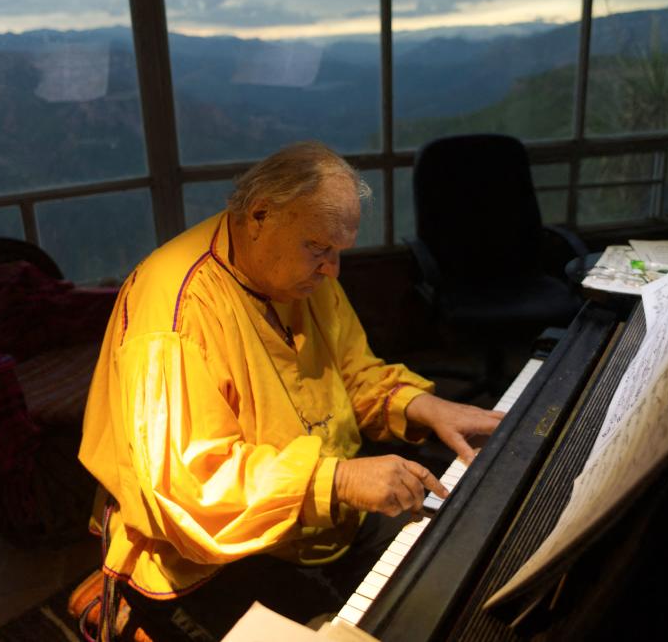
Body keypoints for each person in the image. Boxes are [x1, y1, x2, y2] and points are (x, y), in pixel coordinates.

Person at [79, 141, 503, 641]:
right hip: (211, 550)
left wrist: (428, 407)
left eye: (338, 252)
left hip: (319, 513)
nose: (332, 271)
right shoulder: (176, 314)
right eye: (318, 249)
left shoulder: (303, 273)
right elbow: (193, 489)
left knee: (450, 570)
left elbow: (353, 374)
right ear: (259, 216)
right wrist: (339, 480)